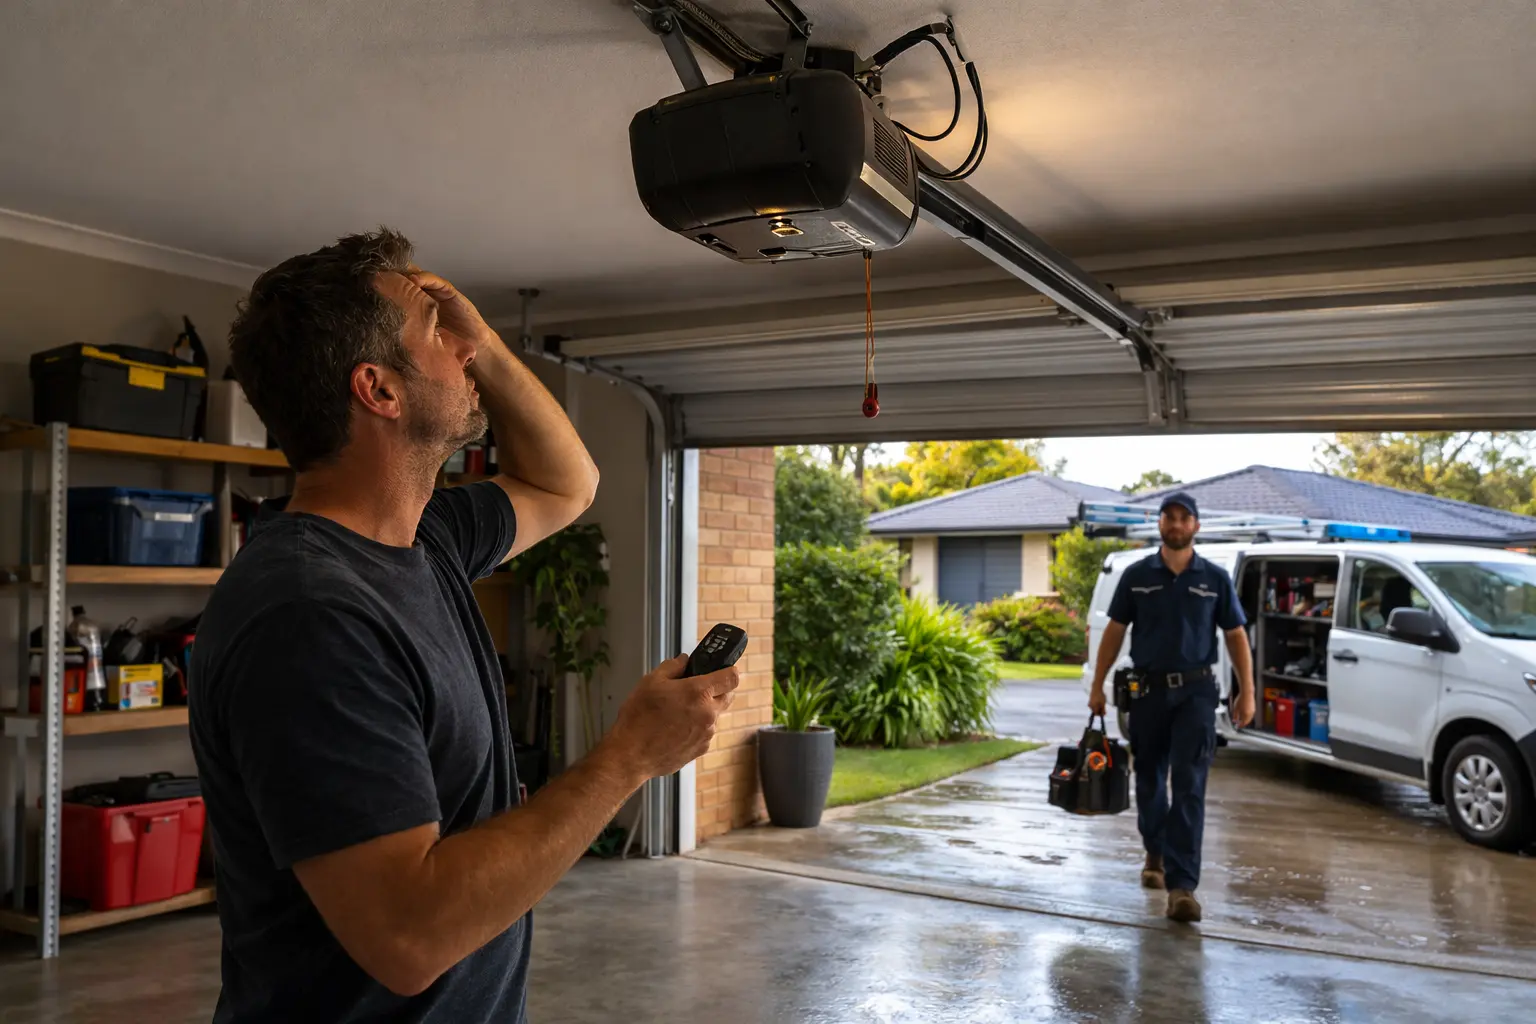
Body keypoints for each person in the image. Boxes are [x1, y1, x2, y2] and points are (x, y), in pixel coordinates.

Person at [189, 228, 739, 1023]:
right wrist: (627, 760)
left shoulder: (427, 539)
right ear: (378, 390)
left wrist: (479, 337)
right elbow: (408, 935)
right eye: (439, 338)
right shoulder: (310, 615)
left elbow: (568, 481)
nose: (465, 352)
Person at [1087, 492, 1255, 923]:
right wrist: (1098, 685)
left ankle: (1182, 888)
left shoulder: (1214, 578)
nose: (1176, 525)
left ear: (1196, 526)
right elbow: (1114, 631)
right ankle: (1155, 851)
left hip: (1196, 695)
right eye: (1169, 518)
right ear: (1159, 524)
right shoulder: (1137, 575)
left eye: (1184, 518)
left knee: (1190, 786)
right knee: (1148, 780)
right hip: (1147, 694)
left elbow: (1236, 636)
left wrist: (1247, 691)